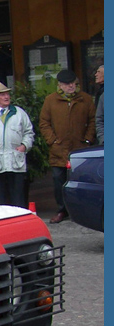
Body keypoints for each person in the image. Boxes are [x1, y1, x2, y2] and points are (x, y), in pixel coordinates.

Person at [39, 69, 96, 223]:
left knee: (81, 181)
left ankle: (81, 211)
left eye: (73, 83)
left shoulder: (85, 99)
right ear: (60, 85)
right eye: (67, 84)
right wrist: (52, 140)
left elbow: (93, 121)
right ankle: (62, 210)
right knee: (59, 181)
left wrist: (87, 140)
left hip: (80, 149)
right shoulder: (51, 100)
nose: (71, 86)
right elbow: (44, 122)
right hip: (58, 149)